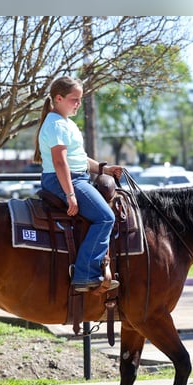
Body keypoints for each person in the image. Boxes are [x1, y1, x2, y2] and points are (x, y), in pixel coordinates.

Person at [33, 76, 123, 292]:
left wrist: (105, 169)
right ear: (59, 98)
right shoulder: (55, 124)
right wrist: (70, 194)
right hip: (64, 179)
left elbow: (78, 158)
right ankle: (85, 274)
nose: (78, 104)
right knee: (105, 217)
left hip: (74, 176)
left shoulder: (66, 123)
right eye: (75, 99)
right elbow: (60, 161)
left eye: (80, 99)